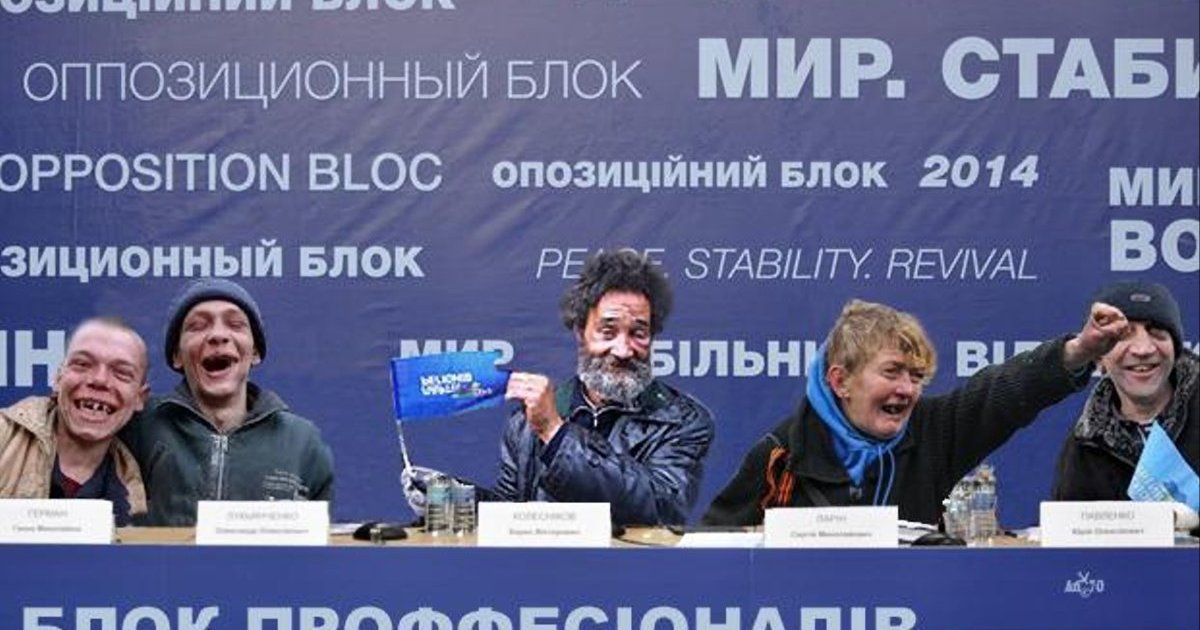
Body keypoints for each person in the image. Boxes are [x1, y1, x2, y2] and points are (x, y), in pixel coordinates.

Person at [703, 297, 1125, 527]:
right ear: (840, 381)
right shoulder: (781, 456)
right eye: (892, 372)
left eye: (916, 376)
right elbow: (714, 548)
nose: (907, 390)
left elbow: (1004, 391)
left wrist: (1078, 351)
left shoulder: (935, 431)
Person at [496, 249, 715, 525]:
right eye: (608, 332)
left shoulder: (683, 421)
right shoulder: (525, 423)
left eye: (638, 333)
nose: (623, 350)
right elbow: (506, 519)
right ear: (580, 332)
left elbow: (660, 508)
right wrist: (450, 493)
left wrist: (555, 434)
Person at [121, 278, 334, 525]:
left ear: (255, 352)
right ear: (177, 355)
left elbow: (321, 542)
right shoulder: (138, 427)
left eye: (235, 324)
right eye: (197, 326)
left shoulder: (303, 443)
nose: (218, 335)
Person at [1052, 280, 1198, 502]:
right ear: (1099, 358)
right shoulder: (1085, 446)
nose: (1143, 349)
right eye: (1124, 335)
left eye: (1157, 332)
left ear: (1175, 349)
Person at [1, 317, 149, 525]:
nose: (99, 380)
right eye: (82, 364)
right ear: (57, 379)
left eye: (122, 373)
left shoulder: (134, 493)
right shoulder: (4, 437)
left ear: (140, 398)